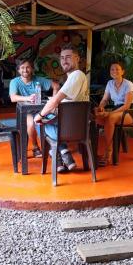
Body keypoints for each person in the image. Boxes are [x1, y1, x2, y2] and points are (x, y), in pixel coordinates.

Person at [34, 43, 89, 172]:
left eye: (68, 57)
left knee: (37, 121)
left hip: (70, 128)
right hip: (74, 125)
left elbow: (56, 100)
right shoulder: (74, 77)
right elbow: (62, 99)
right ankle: (63, 155)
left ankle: (59, 155)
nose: (64, 61)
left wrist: (40, 115)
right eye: (62, 58)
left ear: (77, 58)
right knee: (45, 119)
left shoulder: (76, 75)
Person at [9, 57, 59, 157]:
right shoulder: (15, 82)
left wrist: (54, 100)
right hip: (25, 112)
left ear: (32, 69)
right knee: (31, 124)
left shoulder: (38, 80)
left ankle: (52, 148)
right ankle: (36, 148)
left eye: (28, 67)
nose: (25, 70)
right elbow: (13, 98)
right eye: (22, 68)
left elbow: (56, 85)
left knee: (50, 120)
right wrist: (27, 98)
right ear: (18, 70)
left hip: (40, 111)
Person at [94, 61, 133, 166]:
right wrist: (101, 107)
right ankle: (92, 151)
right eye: (112, 69)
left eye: (117, 69)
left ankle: (108, 152)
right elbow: (104, 99)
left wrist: (109, 113)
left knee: (110, 118)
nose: (114, 71)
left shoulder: (128, 84)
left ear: (122, 71)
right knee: (96, 117)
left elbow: (127, 106)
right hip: (117, 110)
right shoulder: (110, 83)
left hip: (129, 112)